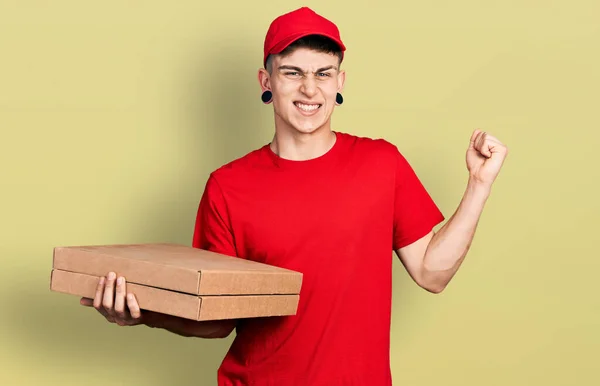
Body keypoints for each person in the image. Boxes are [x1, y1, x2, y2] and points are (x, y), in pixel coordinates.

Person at [80, 6, 508, 385]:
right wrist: (142, 315)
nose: (310, 89)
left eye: (322, 74)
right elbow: (218, 319)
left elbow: (432, 273)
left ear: (340, 80)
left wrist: (478, 185)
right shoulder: (228, 186)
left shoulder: (382, 163)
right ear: (266, 80)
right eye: (293, 73)